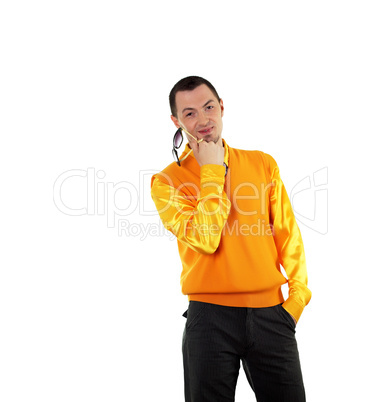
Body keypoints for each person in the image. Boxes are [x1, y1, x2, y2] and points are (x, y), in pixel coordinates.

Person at [150, 76, 312, 402]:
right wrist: (212, 171)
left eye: (209, 107)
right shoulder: (167, 182)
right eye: (190, 113)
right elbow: (206, 238)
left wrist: (296, 302)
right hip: (209, 320)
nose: (204, 119)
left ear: (221, 107)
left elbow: (288, 235)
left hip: (272, 315)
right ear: (176, 121)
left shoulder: (262, 164)